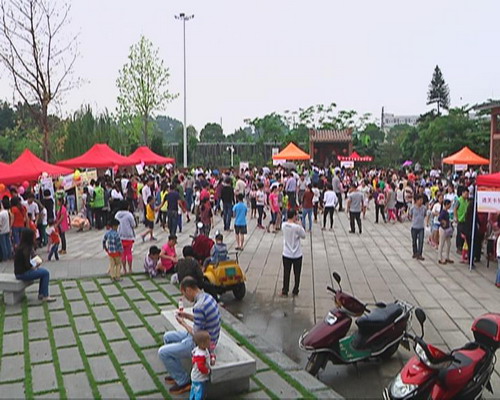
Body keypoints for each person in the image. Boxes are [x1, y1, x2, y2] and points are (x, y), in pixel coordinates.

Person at [159, 276, 221, 395]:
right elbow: (202, 320)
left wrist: (182, 323)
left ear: (188, 290)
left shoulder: (199, 306)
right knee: (168, 337)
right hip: (210, 337)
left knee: (162, 352)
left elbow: (196, 335)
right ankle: (176, 372)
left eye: (184, 294)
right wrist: (186, 316)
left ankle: (184, 380)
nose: (185, 298)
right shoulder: (208, 297)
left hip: (202, 344)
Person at [15, 229, 56, 302]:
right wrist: (35, 265)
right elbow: (27, 264)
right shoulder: (26, 249)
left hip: (18, 272)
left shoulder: (20, 247)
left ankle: (42, 294)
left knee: (42, 272)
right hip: (23, 273)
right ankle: (44, 295)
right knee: (45, 273)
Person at [281, 209, 306, 296]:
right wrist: (300, 224)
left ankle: (285, 290)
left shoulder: (283, 225)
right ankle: (295, 289)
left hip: (286, 253)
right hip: (297, 254)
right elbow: (303, 235)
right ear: (295, 216)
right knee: (297, 274)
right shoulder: (297, 227)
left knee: (286, 273)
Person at [115, 201, 136, 275]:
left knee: (122, 254)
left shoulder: (117, 214)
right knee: (129, 253)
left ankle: (124, 270)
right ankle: (130, 269)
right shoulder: (129, 215)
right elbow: (133, 225)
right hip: (128, 236)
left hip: (120, 236)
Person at [189, 331, 211, 400]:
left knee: (194, 390)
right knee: (199, 393)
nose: (210, 342)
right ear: (202, 343)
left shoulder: (199, 349)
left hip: (195, 377)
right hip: (199, 378)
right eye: (208, 341)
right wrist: (207, 371)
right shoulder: (200, 355)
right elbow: (201, 367)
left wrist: (211, 358)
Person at [410, 195, 426, 260]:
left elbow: (424, 215)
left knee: (421, 241)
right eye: (420, 200)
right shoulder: (412, 208)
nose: (421, 201)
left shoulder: (424, 208)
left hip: (421, 227)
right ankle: (415, 252)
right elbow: (410, 215)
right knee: (414, 241)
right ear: (416, 200)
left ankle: (420, 254)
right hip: (414, 227)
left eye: (422, 200)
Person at [438, 199, 454, 265]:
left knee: (449, 244)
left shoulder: (446, 212)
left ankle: (447, 257)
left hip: (447, 229)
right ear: (446, 204)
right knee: (441, 244)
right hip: (443, 229)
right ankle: (440, 258)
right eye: (449, 205)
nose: (450, 206)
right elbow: (439, 218)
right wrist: (443, 222)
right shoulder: (443, 212)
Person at [455, 188, 469, 254]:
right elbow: (455, 209)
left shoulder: (466, 201)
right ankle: (458, 247)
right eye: (466, 194)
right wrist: (456, 218)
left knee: (464, 234)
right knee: (459, 234)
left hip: (465, 220)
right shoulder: (459, 200)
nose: (467, 195)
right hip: (460, 219)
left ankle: (463, 248)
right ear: (462, 193)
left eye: (467, 194)